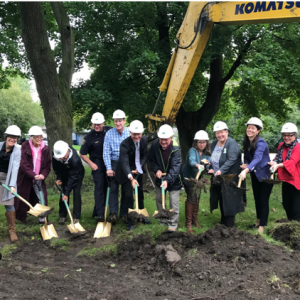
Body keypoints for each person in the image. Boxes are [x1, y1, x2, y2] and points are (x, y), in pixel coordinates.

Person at [115, 120, 151, 230]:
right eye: (134, 134)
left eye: (139, 134)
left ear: (142, 133)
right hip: (126, 171)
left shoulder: (144, 139)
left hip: (138, 169)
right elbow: (124, 163)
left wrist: (139, 166)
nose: (137, 136)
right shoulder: (124, 144)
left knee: (140, 193)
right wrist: (131, 177)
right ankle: (130, 221)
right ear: (130, 132)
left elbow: (145, 155)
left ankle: (142, 216)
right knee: (129, 195)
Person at [239, 118, 273, 234]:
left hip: (265, 176)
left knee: (263, 200)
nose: (250, 130)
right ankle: (258, 222)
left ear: (258, 131)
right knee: (257, 199)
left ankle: (262, 226)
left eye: (253, 128)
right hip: (255, 175)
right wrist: (247, 165)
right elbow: (248, 158)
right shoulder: (246, 141)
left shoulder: (261, 143)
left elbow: (258, 158)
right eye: (249, 127)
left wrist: (246, 170)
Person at [208, 121, 245, 227]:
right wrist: (211, 168)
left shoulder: (231, 143)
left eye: (222, 132)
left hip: (229, 177)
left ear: (227, 132)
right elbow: (212, 159)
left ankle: (229, 224)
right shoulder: (214, 143)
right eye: (217, 133)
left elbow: (231, 159)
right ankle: (223, 221)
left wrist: (221, 170)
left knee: (229, 199)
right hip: (218, 177)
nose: (220, 135)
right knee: (220, 197)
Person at [15, 126, 52, 224]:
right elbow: (23, 164)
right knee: (22, 197)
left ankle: (43, 220)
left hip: (39, 178)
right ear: (31, 137)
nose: (39, 139)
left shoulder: (45, 148)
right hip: (26, 177)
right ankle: (21, 218)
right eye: (37, 137)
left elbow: (47, 165)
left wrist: (42, 175)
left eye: (41, 137)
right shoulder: (25, 146)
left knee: (42, 197)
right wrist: (33, 175)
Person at [149, 124, 182, 233]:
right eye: (161, 139)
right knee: (159, 199)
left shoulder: (176, 148)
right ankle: (163, 222)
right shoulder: (154, 145)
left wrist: (167, 180)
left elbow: (175, 168)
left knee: (173, 202)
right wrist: (156, 170)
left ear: (171, 138)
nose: (163, 142)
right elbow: (152, 160)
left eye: (166, 140)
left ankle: (172, 225)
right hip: (160, 178)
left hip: (174, 179)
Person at [80, 112, 112, 222]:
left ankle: (106, 210)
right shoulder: (88, 137)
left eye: (99, 124)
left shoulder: (110, 130)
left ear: (103, 123)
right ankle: (100, 214)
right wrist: (91, 163)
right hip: (97, 163)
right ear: (92, 124)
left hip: (109, 163)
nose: (97, 126)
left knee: (108, 186)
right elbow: (82, 154)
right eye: (94, 124)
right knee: (99, 187)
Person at [103, 109, 130, 224]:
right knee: (113, 189)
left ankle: (124, 214)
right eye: (115, 121)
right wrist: (109, 168)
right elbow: (106, 152)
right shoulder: (109, 134)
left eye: (120, 121)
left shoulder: (129, 133)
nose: (118, 123)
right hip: (114, 163)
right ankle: (113, 213)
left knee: (126, 190)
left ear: (124, 121)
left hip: (126, 164)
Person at [182, 130, 211, 233]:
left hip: (198, 179)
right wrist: (197, 165)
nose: (202, 144)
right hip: (189, 178)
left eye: (204, 142)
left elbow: (207, 164)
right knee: (191, 198)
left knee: (197, 198)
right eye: (200, 142)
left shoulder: (206, 153)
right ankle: (188, 222)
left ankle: (195, 220)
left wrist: (208, 167)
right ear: (196, 142)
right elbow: (191, 161)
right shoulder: (192, 151)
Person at [270, 122, 300, 221]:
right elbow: (278, 158)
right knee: (287, 205)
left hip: (296, 181)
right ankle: (291, 227)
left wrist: (278, 165)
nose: (286, 137)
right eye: (284, 135)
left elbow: (292, 162)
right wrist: (273, 163)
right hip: (286, 180)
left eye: (289, 135)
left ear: (295, 135)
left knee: (296, 208)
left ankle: (296, 229)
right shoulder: (281, 146)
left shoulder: (298, 147)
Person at [52, 140, 85, 224]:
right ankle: (62, 215)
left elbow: (73, 177)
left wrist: (67, 192)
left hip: (77, 174)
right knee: (63, 193)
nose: (62, 158)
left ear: (67, 151)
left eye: (63, 156)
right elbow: (56, 168)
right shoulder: (56, 154)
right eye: (60, 157)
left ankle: (76, 217)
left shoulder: (75, 159)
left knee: (76, 193)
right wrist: (59, 178)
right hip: (64, 173)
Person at [0, 125, 21, 242]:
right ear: (6, 136)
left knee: (9, 204)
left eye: (15, 137)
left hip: (7, 179)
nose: (13, 139)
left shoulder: (17, 151)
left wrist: (12, 185)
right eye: (11, 136)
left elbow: (15, 169)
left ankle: (12, 231)